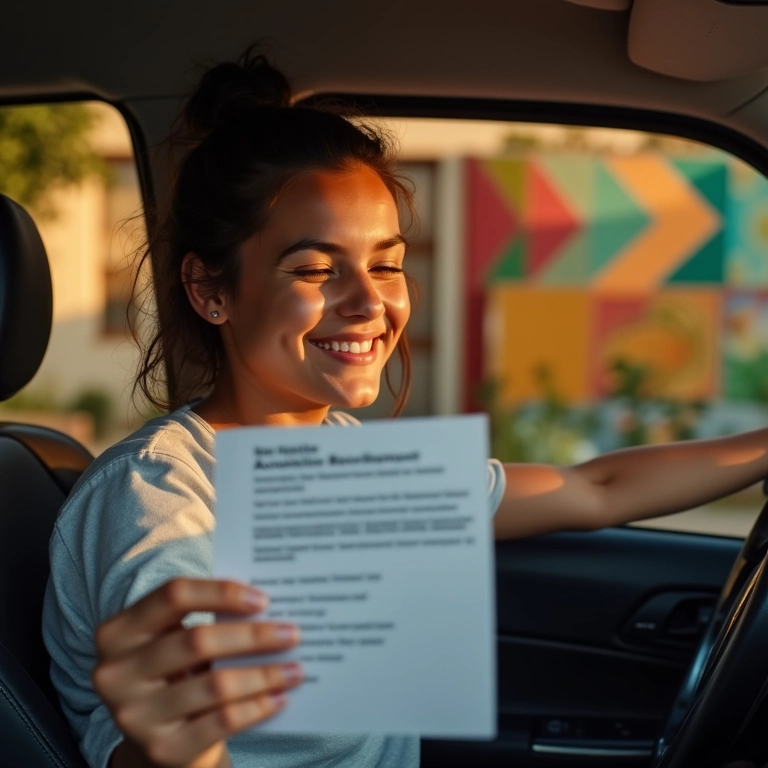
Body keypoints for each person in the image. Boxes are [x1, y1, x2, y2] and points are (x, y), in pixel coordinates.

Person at [42, 49, 768, 768]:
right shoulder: (160, 497)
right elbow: (171, 739)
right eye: (316, 270)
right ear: (210, 291)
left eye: (387, 263)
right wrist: (178, 747)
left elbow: (594, 489)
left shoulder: (348, 462)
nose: (369, 302)